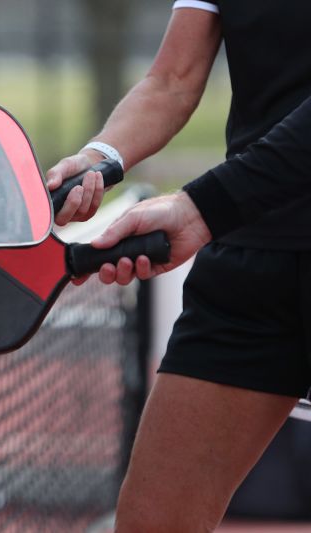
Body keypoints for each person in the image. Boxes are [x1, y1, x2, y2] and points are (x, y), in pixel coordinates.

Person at [45, 2, 311, 531]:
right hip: (246, 258)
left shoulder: (211, 207)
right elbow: (172, 79)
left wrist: (202, 207)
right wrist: (102, 155)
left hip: (224, 211)